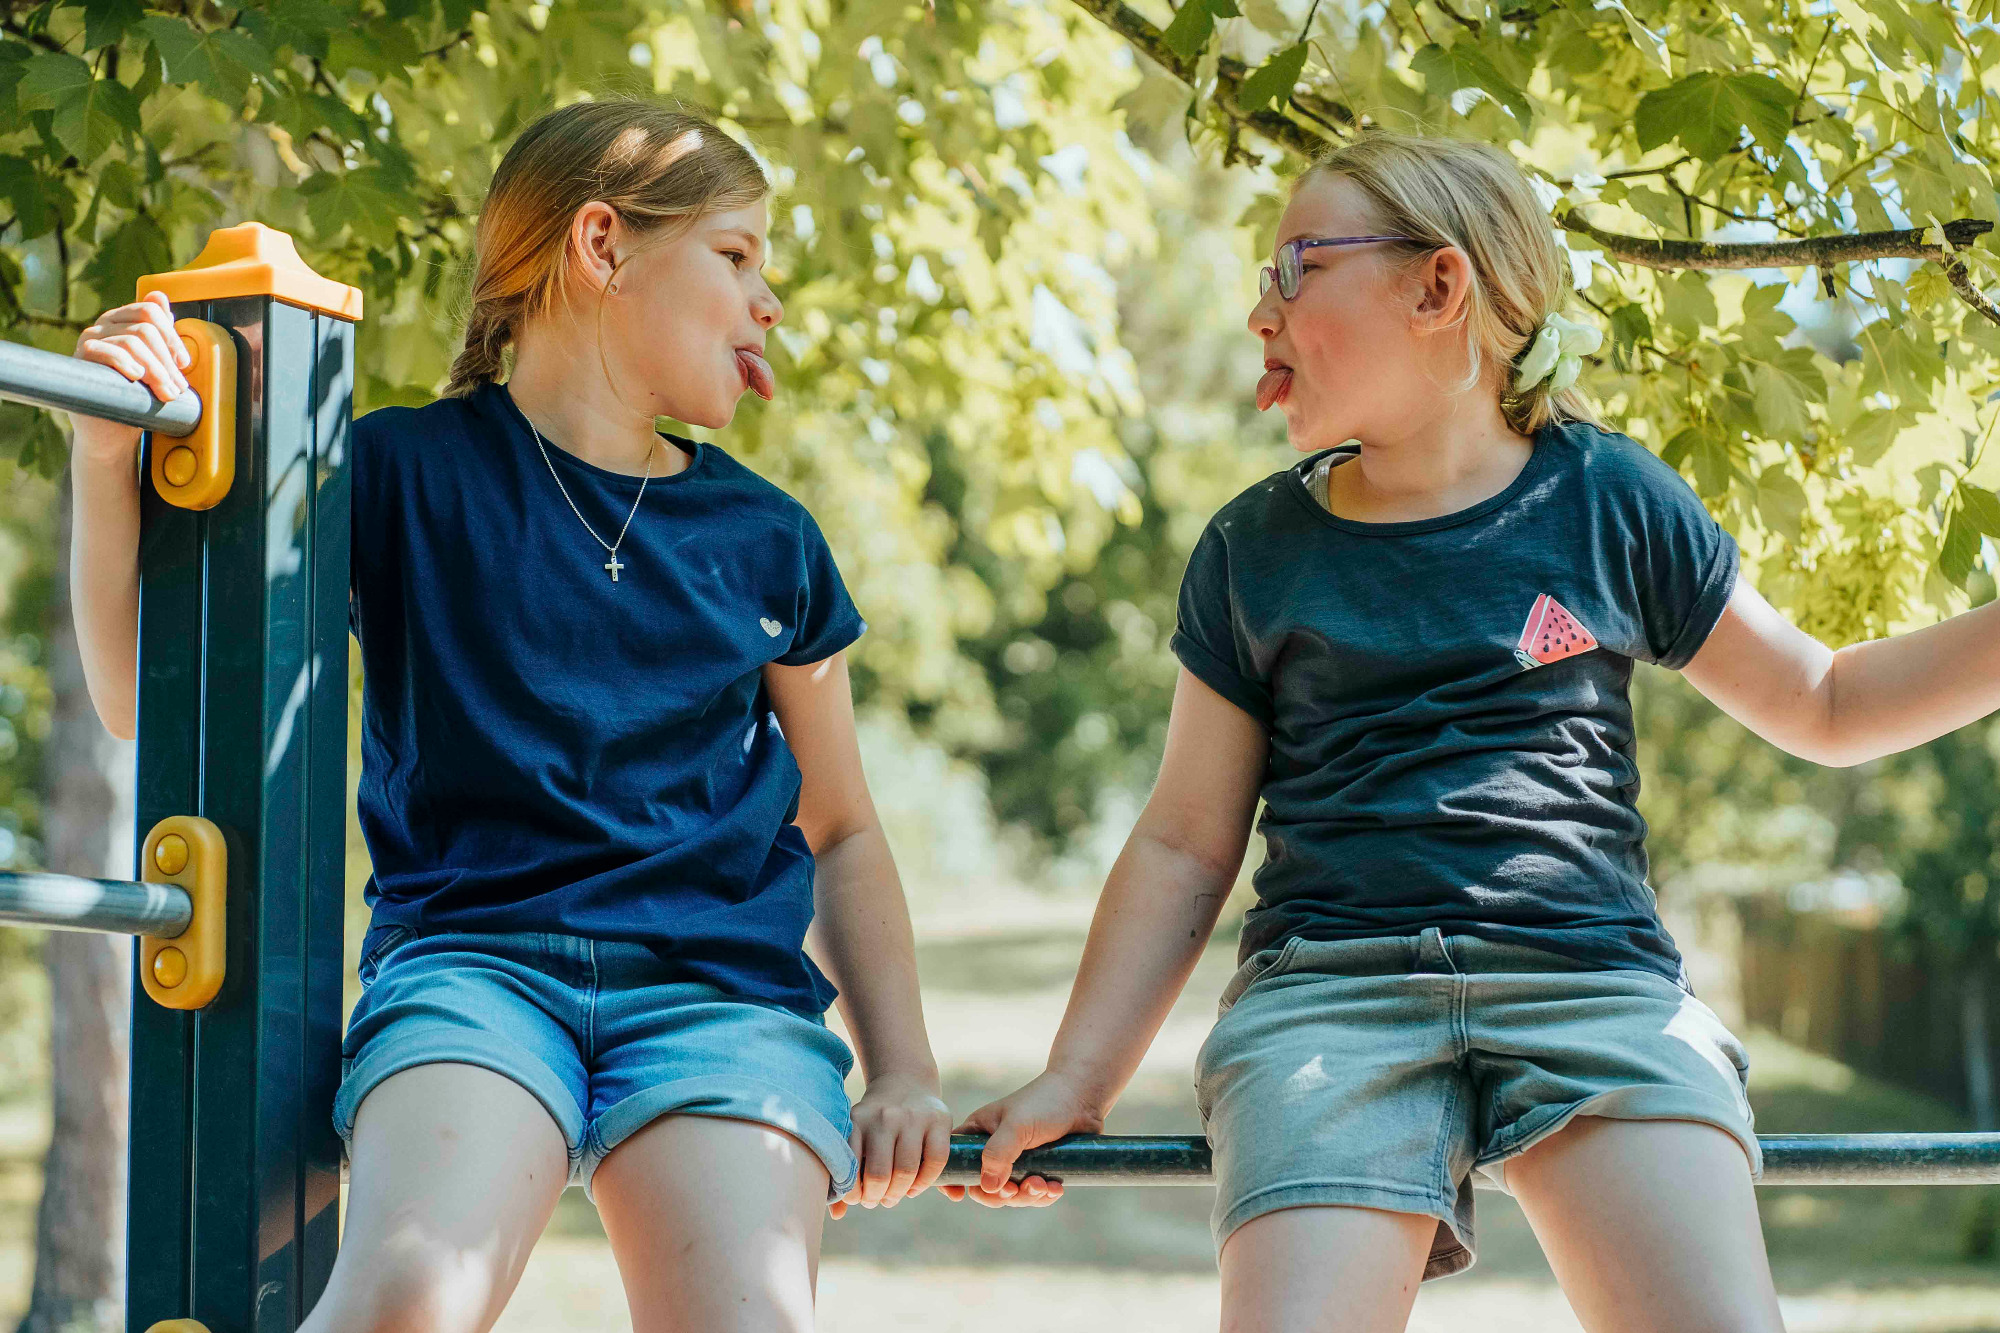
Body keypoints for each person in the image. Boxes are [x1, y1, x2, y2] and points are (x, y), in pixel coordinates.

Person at [948, 131, 2000, 1332]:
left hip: (1589, 989)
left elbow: (1825, 701)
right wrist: (1076, 1076)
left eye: (1293, 267)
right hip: (1327, 1005)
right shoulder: (1253, 549)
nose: (1257, 311)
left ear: (1436, 286)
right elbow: (1184, 841)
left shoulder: (1606, 500)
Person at [66, 99, 951, 1333]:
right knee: (407, 1299)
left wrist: (904, 1068)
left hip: (718, 999)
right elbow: (140, 697)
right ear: (600, 244)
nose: (770, 302)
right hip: (475, 977)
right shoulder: (392, 471)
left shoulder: (769, 540)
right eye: (736, 255)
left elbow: (841, 827)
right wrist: (103, 458)